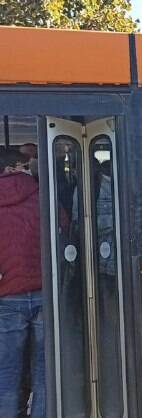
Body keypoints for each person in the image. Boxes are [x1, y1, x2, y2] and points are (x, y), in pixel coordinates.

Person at [0, 148, 45, 418]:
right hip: (43, 292)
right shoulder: (41, 194)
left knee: (7, 372)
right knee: (43, 372)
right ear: (13, 168)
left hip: (6, 298)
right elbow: (63, 228)